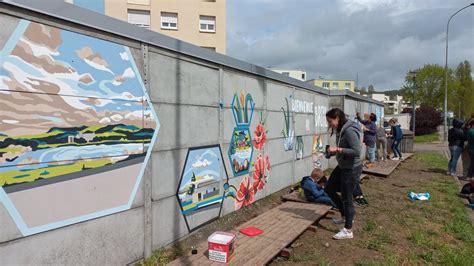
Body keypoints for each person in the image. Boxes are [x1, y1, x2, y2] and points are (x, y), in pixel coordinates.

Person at [324, 108, 362, 240]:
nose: (329, 124)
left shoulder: (350, 130)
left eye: (330, 121)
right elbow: (344, 149)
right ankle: (345, 216)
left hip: (352, 168)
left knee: (347, 197)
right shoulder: (340, 130)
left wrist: (338, 149)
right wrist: (333, 152)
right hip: (343, 166)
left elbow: (356, 151)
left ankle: (348, 230)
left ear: (337, 118)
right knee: (329, 188)